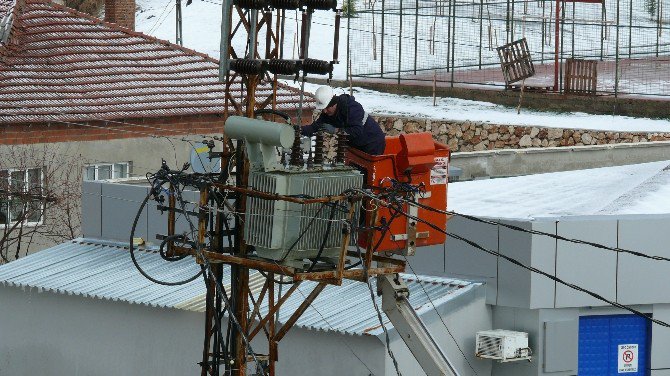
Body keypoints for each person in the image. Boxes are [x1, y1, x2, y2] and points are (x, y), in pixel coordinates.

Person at [302, 86, 386, 155]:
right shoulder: (327, 114)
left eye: (327, 108)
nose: (324, 111)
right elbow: (315, 127)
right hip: (355, 145)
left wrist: (336, 130)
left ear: (334, 104)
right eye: (323, 109)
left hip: (372, 143)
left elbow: (356, 131)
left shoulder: (352, 108)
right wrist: (296, 130)